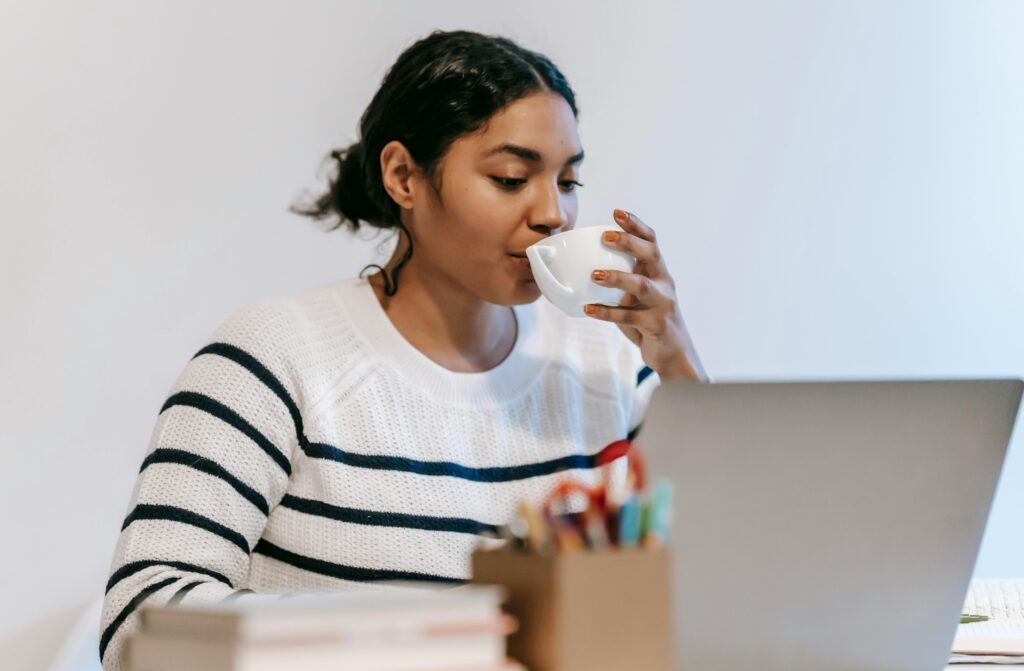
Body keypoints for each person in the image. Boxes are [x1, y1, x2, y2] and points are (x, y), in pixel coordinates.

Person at [98, 28, 707, 671]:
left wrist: (676, 360)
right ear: (402, 177)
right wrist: (441, 642)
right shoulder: (274, 358)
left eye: (568, 179)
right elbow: (141, 619)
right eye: (510, 177)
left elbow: (726, 588)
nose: (553, 213)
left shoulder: (606, 366)